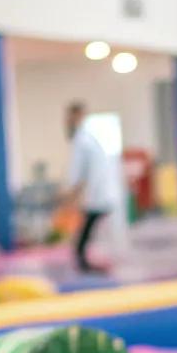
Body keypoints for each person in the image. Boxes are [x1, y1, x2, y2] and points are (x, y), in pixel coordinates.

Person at [62, 102, 118, 270]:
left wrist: (71, 195)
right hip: (97, 193)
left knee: (88, 229)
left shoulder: (83, 141)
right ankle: (85, 261)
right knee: (88, 229)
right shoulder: (87, 139)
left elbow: (78, 173)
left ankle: (86, 262)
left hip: (96, 194)